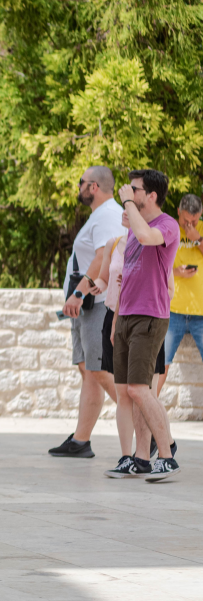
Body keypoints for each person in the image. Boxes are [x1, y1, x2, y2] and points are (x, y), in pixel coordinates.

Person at [48, 166, 122, 458]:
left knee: (101, 370)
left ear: (93, 186)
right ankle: (81, 441)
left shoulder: (108, 215)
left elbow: (104, 255)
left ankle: (151, 430)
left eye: (81, 183)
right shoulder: (100, 215)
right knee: (89, 370)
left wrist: (79, 292)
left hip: (96, 301)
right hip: (87, 303)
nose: (77, 187)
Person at [112, 169, 181, 481]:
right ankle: (140, 458)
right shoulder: (133, 226)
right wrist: (116, 321)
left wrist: (127, 203)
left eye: (135, 189)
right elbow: (129, 272)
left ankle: (166, 455)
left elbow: (145, 237)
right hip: (127, 316)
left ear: (151, 195)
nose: (128, 191)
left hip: (150, 316)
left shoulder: (167, 225)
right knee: (130, 391)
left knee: (141, 388)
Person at [98, 214, 171, 478]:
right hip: (120, 318)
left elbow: (168, 288)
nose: (125, 212)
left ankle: (160, 450)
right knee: (125, 393)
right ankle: (130, 457)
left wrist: (138, 286)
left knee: (143, 391)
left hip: (149, 319)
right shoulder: (118, 242)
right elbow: (107, 281)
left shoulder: (155, 244)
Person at [156, 194, 203, 397]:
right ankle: (146, 411)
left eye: (195, 221)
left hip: (201, 312)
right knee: (160, 366)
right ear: (178, 213)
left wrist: (198, 240)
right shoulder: (169, 229)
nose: (190, 225)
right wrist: (176, 272)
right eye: (186, 221)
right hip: (172, 310)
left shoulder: (201, 231)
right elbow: (155, 265)